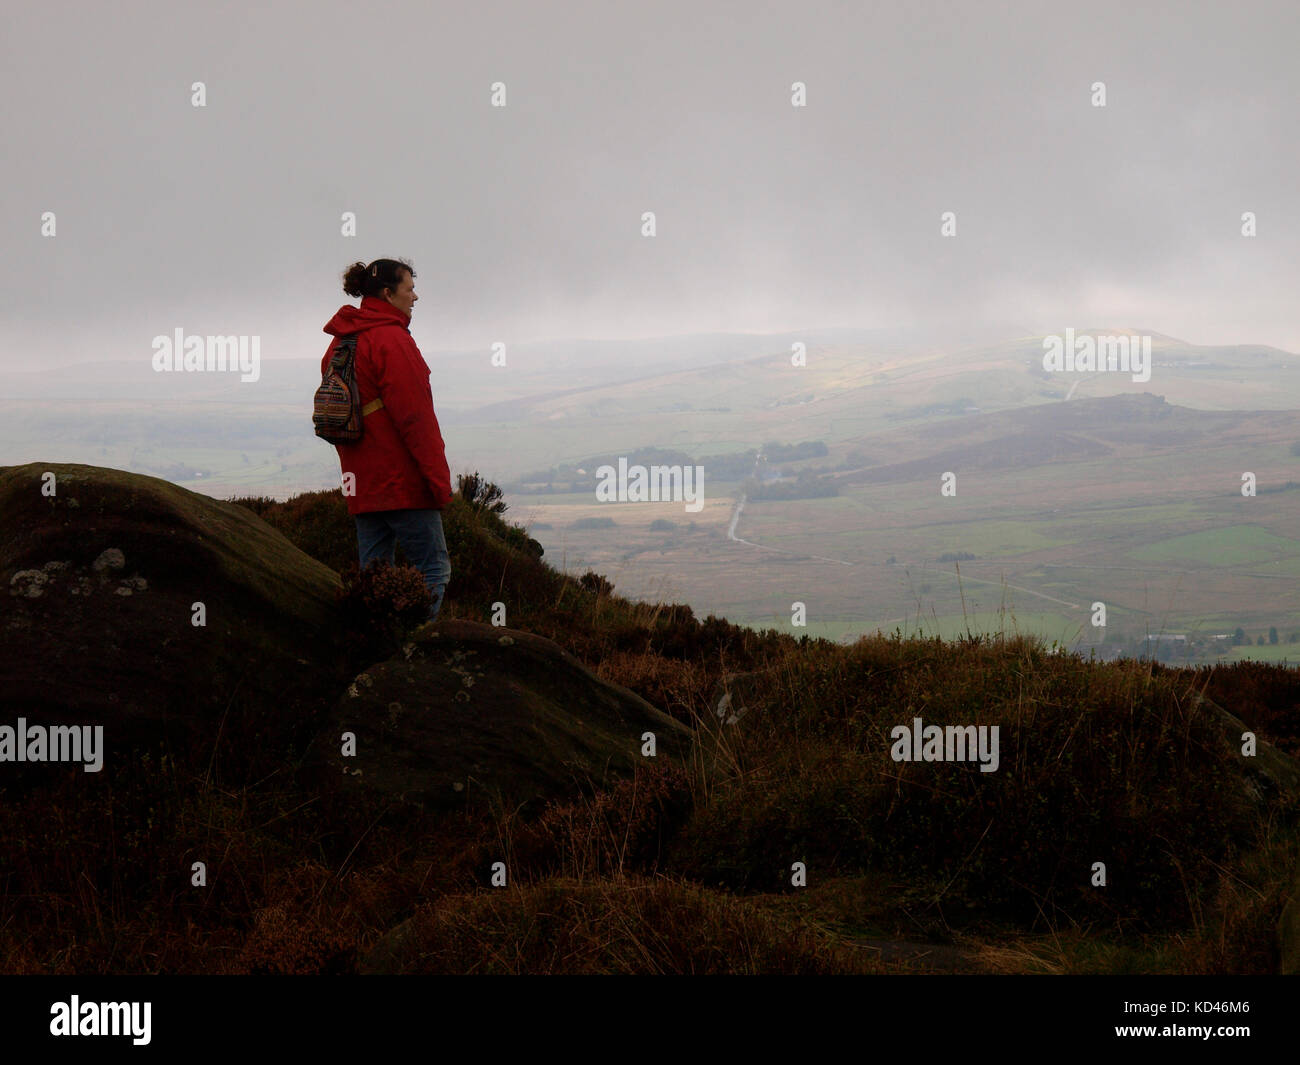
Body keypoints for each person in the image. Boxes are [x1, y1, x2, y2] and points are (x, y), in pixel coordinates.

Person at [321, 257, 452, 621]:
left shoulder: (341, 342)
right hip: (402, 482)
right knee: (434, 570)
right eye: (409, 288)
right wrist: (439, 483)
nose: (415, 297)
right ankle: (407, 656)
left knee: (373, 580)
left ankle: (371, 651)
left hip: (361, 483)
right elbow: (416, 420)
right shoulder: (392, 341)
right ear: (387, 293)